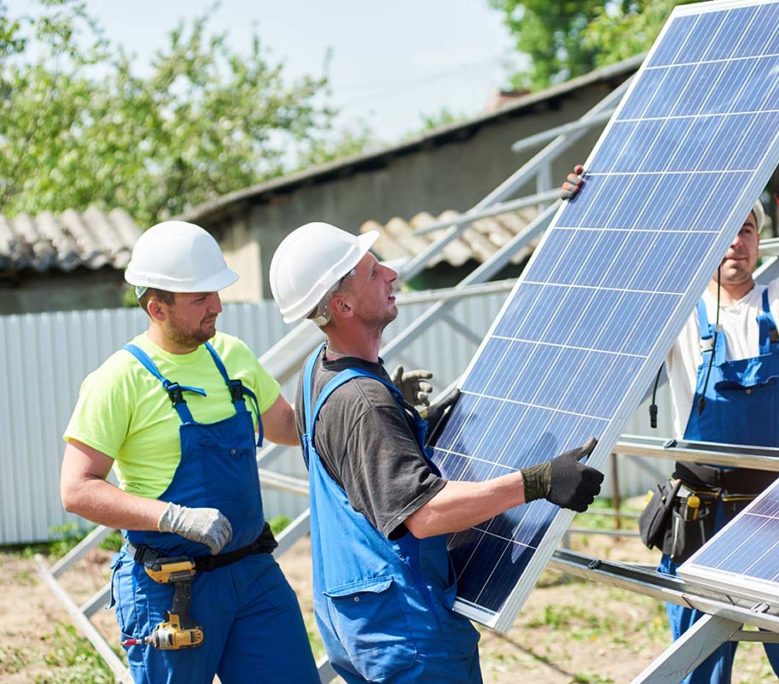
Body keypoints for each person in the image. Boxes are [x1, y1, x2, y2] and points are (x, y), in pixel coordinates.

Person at [562, 135, 779, 683]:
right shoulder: (675, 315)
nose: (734, 244)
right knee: (695, 671)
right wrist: (589, 213)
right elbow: (600, 296)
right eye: (724, 232)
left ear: (759, 243)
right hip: (701, 522)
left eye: (745, 230)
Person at [268, 221, 604, 684]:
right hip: (404, 626)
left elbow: (352, 463)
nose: (391, 273)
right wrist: (537, 482)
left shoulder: (316, 373)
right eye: (371, 273)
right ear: (341, 305)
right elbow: (422, 514)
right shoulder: (363, 402)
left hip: (353, 613)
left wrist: (400, 419)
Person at [61, 221, 319, 684]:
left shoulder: (231, 355)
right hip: (170, 587)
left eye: (215, 293)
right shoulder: (118, 380)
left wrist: (358, 401)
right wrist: (172, 517)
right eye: (200, 298)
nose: (218, 306)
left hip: (253, 574)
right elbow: (77, 491)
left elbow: (284, 424)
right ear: (156, 307)